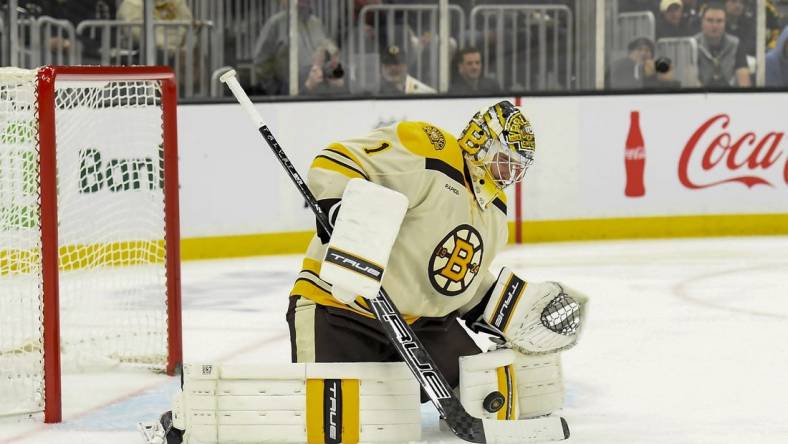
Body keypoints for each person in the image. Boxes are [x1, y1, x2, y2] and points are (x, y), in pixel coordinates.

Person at [252, 0, 336, 95]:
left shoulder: (317, 24)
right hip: (290, 97)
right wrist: (277, 93)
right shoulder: (276, 24)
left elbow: (330, 57)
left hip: (320, 95)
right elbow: (261, 63)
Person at [693, 1, 751, 87]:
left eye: (719, 21)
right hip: (701, 95)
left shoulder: (736, 44)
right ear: (702, 22)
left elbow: (744, 81)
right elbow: (689, 80)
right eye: (709, 20)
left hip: (729, 95)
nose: (714, 25)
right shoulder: (692, 44)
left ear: (725, 23)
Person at [116, 0, 193, 52]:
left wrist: (186, 47)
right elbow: (137, 33)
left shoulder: (176, 2)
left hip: (179, 53)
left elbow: (189, 25)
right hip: (142, 55)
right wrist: (169, 48)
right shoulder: (131, 4)